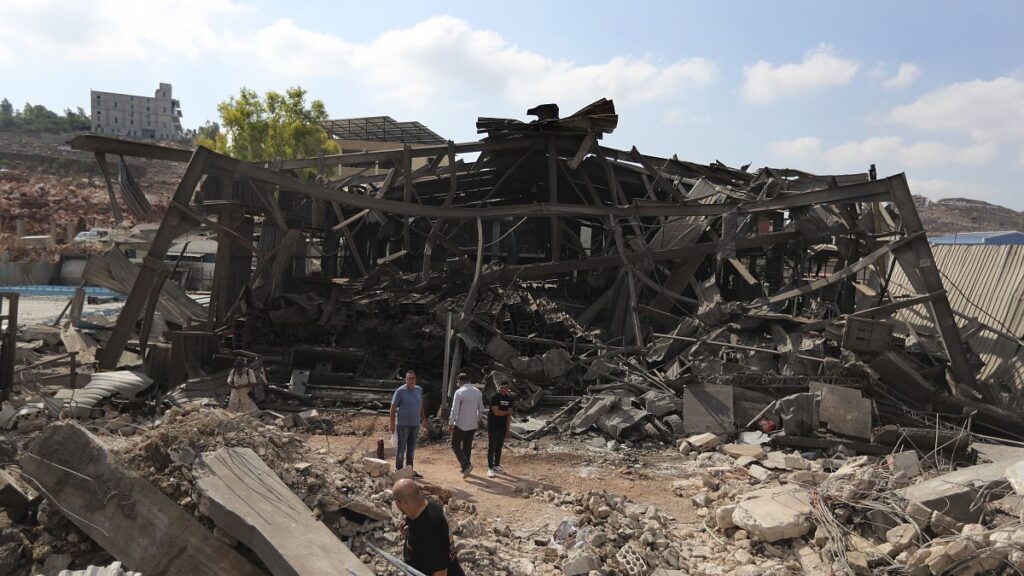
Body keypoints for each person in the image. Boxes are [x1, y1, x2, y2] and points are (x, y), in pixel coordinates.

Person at [393, 478, 465, 576]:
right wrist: (409, 537)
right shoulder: (426, 506)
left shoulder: (429, 529)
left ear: (398, 503)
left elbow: (441, 572)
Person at [390, 370, 427, 473]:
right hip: (403, 425)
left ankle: (409, 471)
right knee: (401, 449)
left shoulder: (419, 390)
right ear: (406, 380)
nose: (411, 380)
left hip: (415, 425)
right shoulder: (400, 391)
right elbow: (392, 408)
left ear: (415, 379)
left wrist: (423, 419)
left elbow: (420, 405)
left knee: (411, 450)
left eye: (413, 378)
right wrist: (392, 424)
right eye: (409, 378)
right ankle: (399, 470)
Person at [448, 373, 484, 477]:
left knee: (455, 445)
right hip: (472, 423)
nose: (457, 384)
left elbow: (454, 410)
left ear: (460, 381)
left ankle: (466, 464)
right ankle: (466, 468)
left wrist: (451, 423)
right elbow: (481, 408)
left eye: (458, 382)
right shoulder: (477, 392)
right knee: (467, 446)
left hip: (461, 423)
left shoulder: (459, 392)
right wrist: (478, 420)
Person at [486, 380, 514, 478]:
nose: (503, 390)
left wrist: (508, 429)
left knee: (499, 447)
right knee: (492, 447)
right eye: (501, 388)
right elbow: (496, 412)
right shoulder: (494, 397)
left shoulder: (509, 398)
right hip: (493, 426)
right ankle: (490, 468)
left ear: (507, 389)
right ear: (498, 388)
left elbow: (509, 416)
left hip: (502, 427)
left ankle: (496, 465)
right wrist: (507, 412)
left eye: (505, 388)